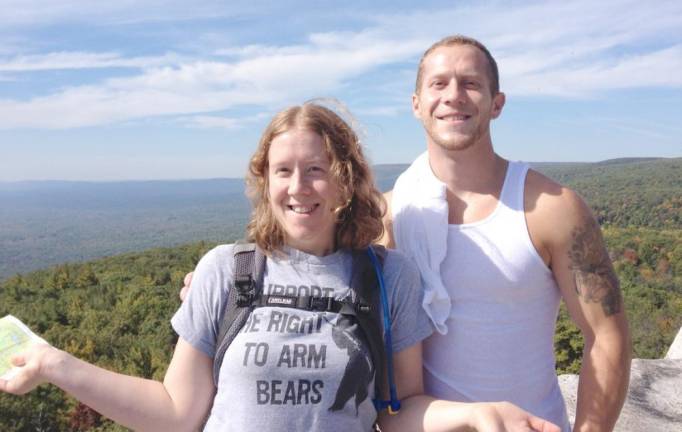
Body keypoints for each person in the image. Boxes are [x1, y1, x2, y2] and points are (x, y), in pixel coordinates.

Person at [0, 102, 560, 432]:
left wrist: (471, 415)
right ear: (264, 181)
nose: (298, 188)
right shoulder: (227, 272)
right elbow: (175, 413)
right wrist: (55, 363)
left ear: (344, 178)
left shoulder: (390, 279)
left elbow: (397, 412)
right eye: (282, 171)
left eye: (315, 169)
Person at [382, 36, 631, 431]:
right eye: (439, 83)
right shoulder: (388, 217)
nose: (454, 96)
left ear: (497, 103)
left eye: (470, 83)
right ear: (416, 104)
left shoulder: (552, 208)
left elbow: (606, 333)